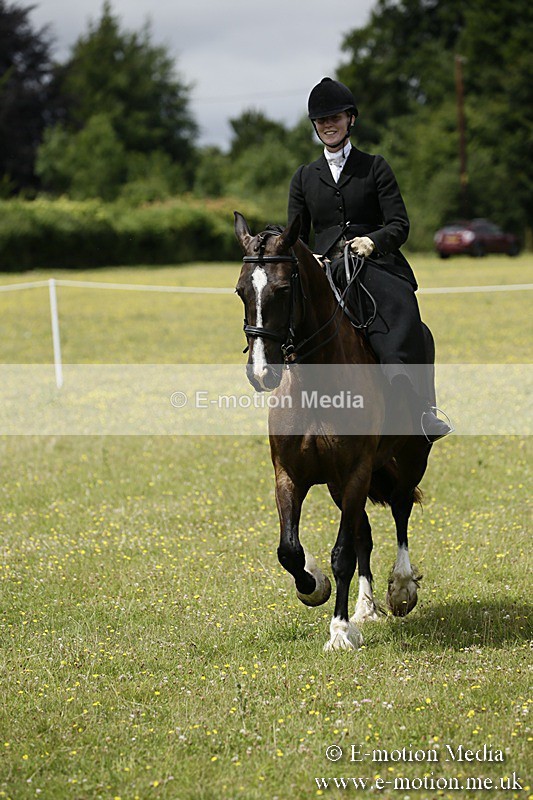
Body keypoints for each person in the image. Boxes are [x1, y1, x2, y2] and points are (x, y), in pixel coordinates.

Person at [288, 76, 452, 442]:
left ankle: (417, 403)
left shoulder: (375, 167)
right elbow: (295, 235)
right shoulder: (303, 177)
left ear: (351, 120)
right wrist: (309, 256)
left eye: (336, 117)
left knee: (404, 310)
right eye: (321, 120)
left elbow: (399, 225)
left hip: (373, 262)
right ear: (315, 126)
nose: (328, 125)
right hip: (327, 265)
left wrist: (373, 242)